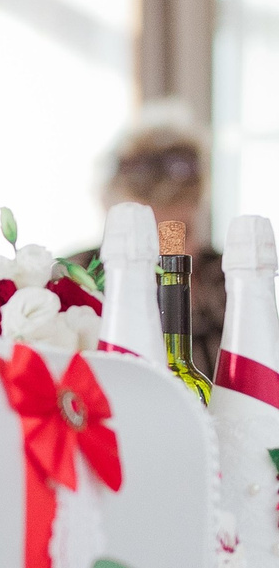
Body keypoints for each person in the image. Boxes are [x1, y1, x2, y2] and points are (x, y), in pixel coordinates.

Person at [70, 106, 224, 372]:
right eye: (148, 234)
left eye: (180, 232)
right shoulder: (76, 277)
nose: (165, 252)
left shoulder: (228, 279)